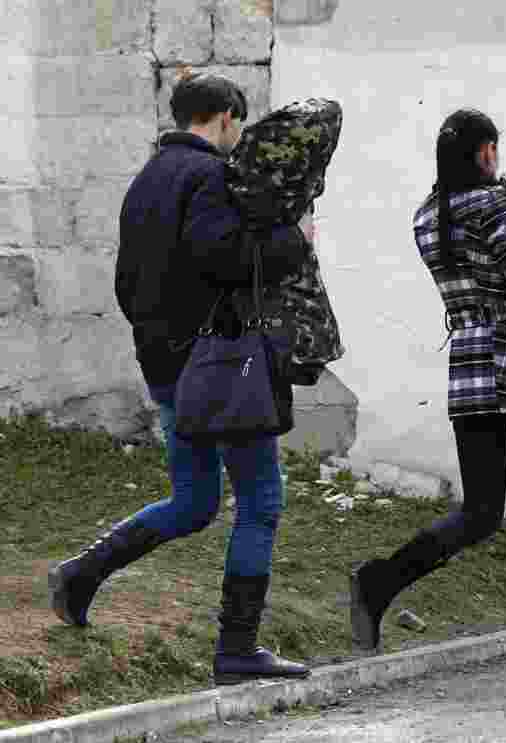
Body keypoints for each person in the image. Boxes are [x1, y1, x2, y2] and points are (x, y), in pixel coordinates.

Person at [48, 71, 313, 685]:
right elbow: (221, 254)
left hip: (167, 366)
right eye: (239, 123)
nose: (238, 134)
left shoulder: (146, 180)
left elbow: (126, 281)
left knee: (195, 502)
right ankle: (238, 649)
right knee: (261, 502)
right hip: (218, 368)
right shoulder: (210, 175)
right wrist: (292, 242)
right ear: (224, 117)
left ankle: (81, 575)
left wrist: (159, 345)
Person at [348, 109, 506, 678]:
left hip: (471, 364)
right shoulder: (497, 206)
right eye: (493, 150)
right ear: (484, 152)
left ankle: (382, 579)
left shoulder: (428, 215)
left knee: (480, 512)